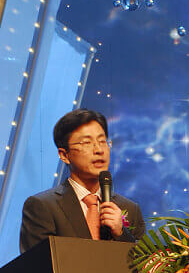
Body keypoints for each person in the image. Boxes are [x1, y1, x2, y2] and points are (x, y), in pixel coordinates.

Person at [19, 108, 145, 253]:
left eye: (102, 141)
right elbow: (37, 263)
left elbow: (144, 264)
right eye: (86, 143)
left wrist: (121, 234)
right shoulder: (42, 207)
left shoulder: (130, 209)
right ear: (64, 155)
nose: (99, 150)